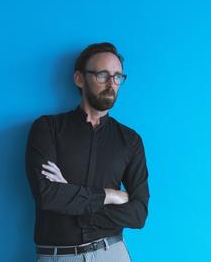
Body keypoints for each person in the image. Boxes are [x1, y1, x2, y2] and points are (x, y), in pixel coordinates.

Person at [25, 42, 149, 261]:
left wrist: (71, 197)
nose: (112, 83)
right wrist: (110, 195)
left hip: (112, 253)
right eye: (102, 75)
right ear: (79, 79)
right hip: (58, 257)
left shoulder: (130, 141)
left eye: (118, 76)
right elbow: (47, 195)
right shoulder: (47, 129)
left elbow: (138, 214)